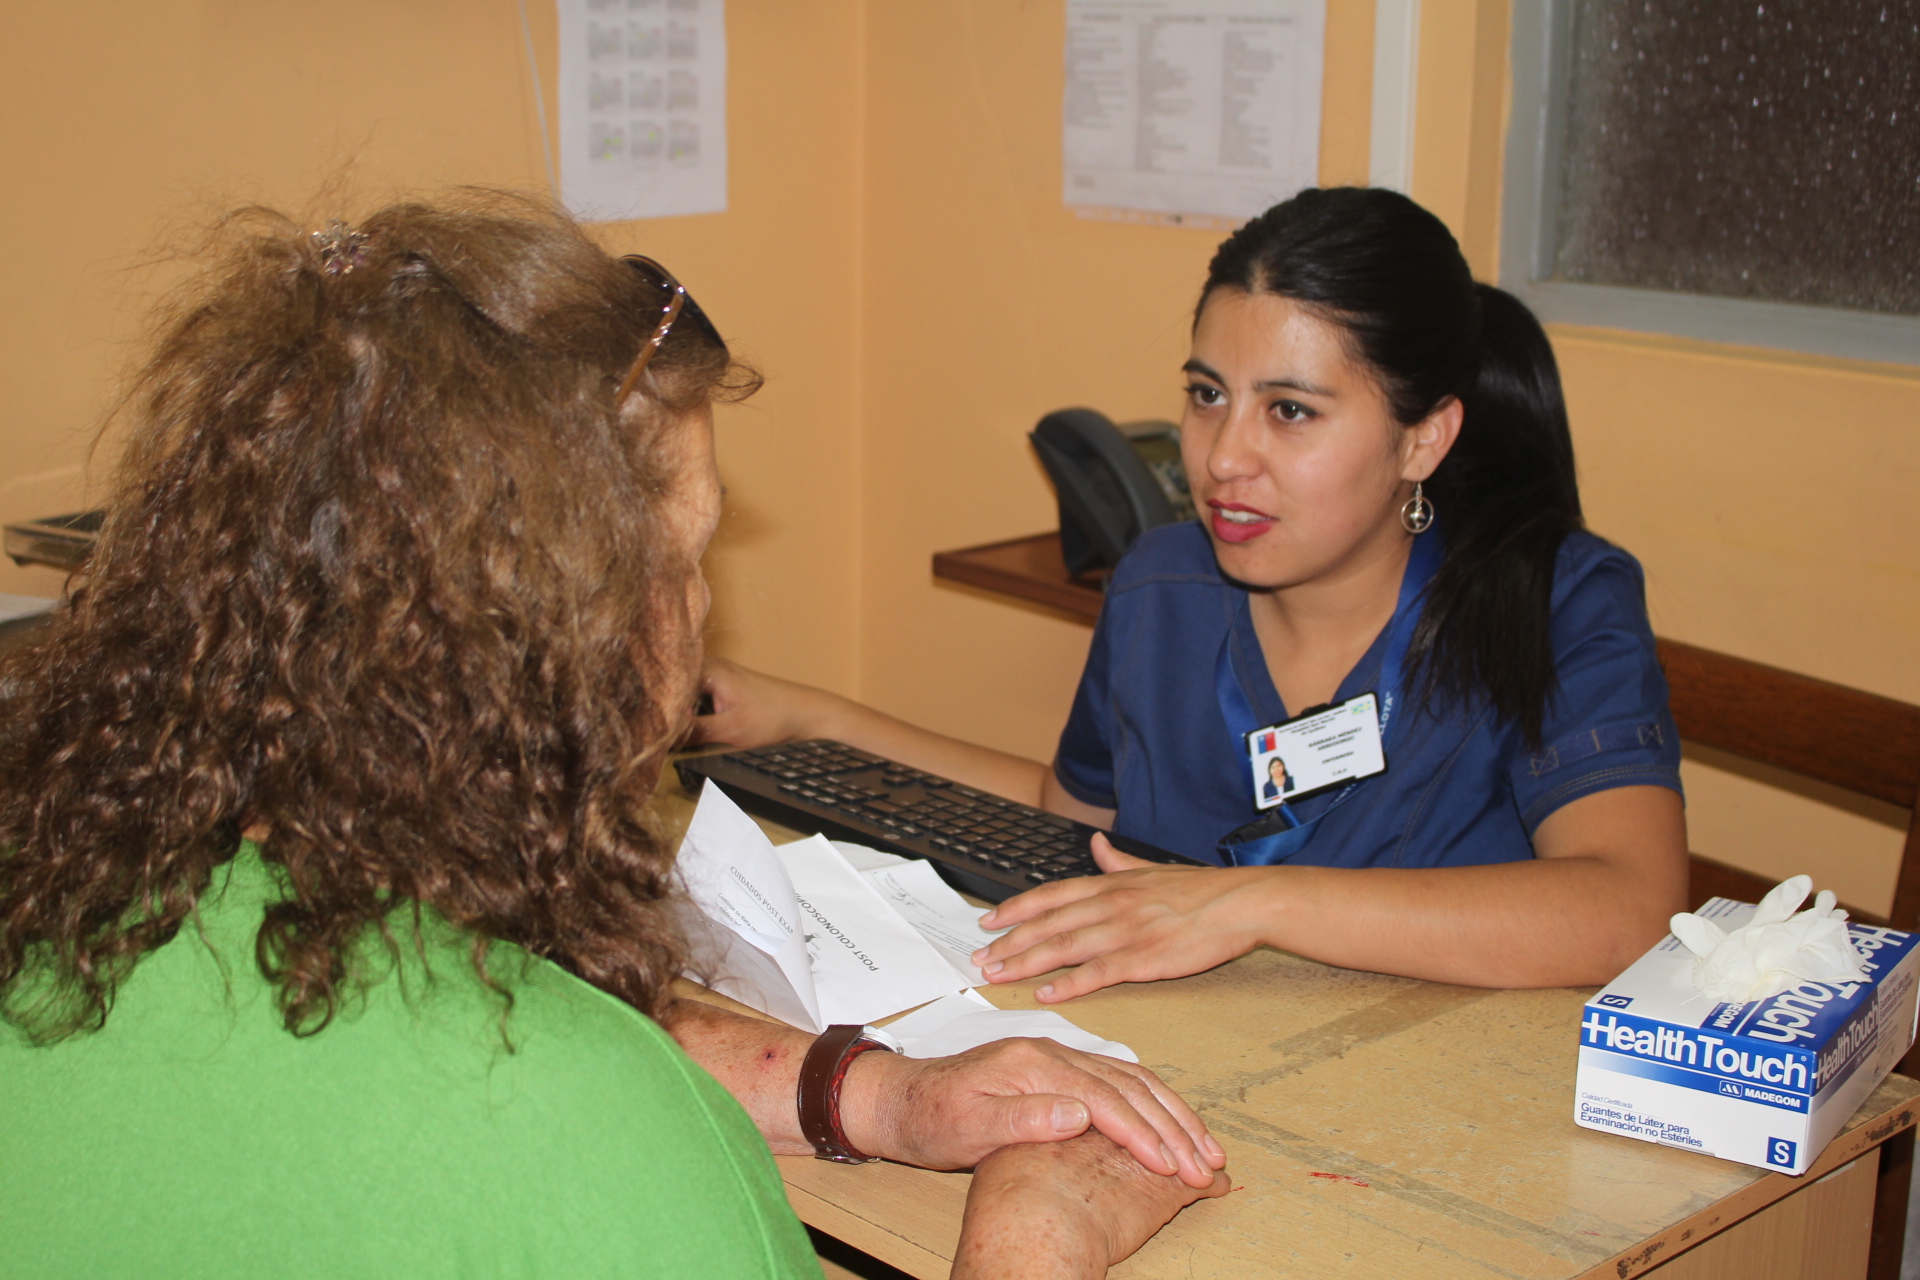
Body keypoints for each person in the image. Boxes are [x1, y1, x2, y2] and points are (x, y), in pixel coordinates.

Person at [0, 195, 1226, 1280]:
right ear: (555, 650)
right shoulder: (600, 1145)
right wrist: (1034, 1240)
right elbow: (578, 1081)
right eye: (686, 563)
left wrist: (880, 1095)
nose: (701, 617)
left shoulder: (63, 910)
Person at [696, 186, 1689, 1002]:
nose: (1223, 458)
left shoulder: (1555, 597)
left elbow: (1628, 907)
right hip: (1190, 1069)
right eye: (1209, 395)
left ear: (1424, 438)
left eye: (1290, 410)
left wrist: (1248, 904)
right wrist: (809, 714)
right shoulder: (1161, 585)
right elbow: (1065, 805)